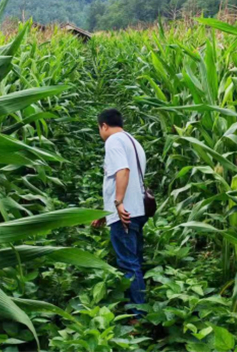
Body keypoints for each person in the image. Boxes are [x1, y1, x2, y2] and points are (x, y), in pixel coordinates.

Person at [91, 108, 147, 319]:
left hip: (125, 213)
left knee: (128, 263)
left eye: (99, 129)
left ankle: (138, 316)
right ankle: (140, 310)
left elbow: (123, 171)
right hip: (138, 210)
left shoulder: (113, 141)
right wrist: (107, 212)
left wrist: (118, 203)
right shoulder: (133, 142)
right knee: (135, 260)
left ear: (104, 125)